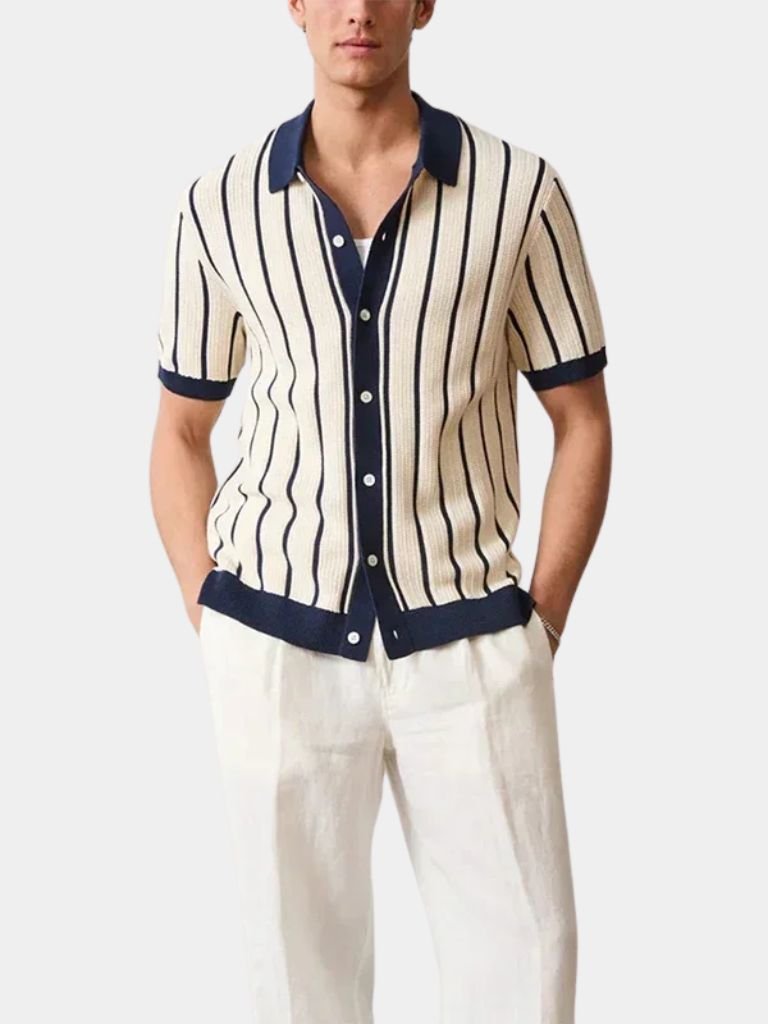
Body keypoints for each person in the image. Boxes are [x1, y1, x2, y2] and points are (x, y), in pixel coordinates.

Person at [149, 1, 611, 1021]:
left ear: (425, 3)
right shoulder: (219, 205)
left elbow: (581, 419)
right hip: (279, 646)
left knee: (527, 970)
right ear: (294, 4)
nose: (357, 9)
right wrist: (214, 614)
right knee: (297, 990)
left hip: (472, 642)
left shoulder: (520, 193)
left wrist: (539, 625)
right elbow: (181, 430)